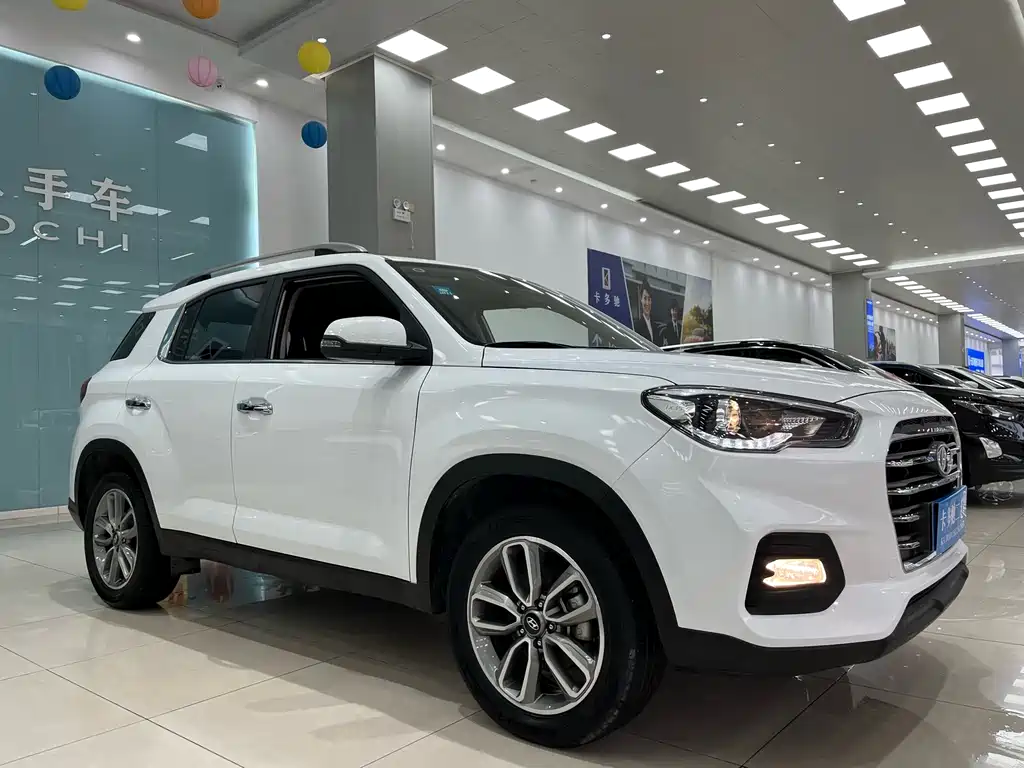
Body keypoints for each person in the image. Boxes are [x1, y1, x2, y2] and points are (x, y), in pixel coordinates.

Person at [635, 279, 657, 343]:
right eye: (645, 298)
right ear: (641, 300)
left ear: (651, 301)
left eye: (649, 299)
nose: (647, 303)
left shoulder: (655, 325)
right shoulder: (637, 326)